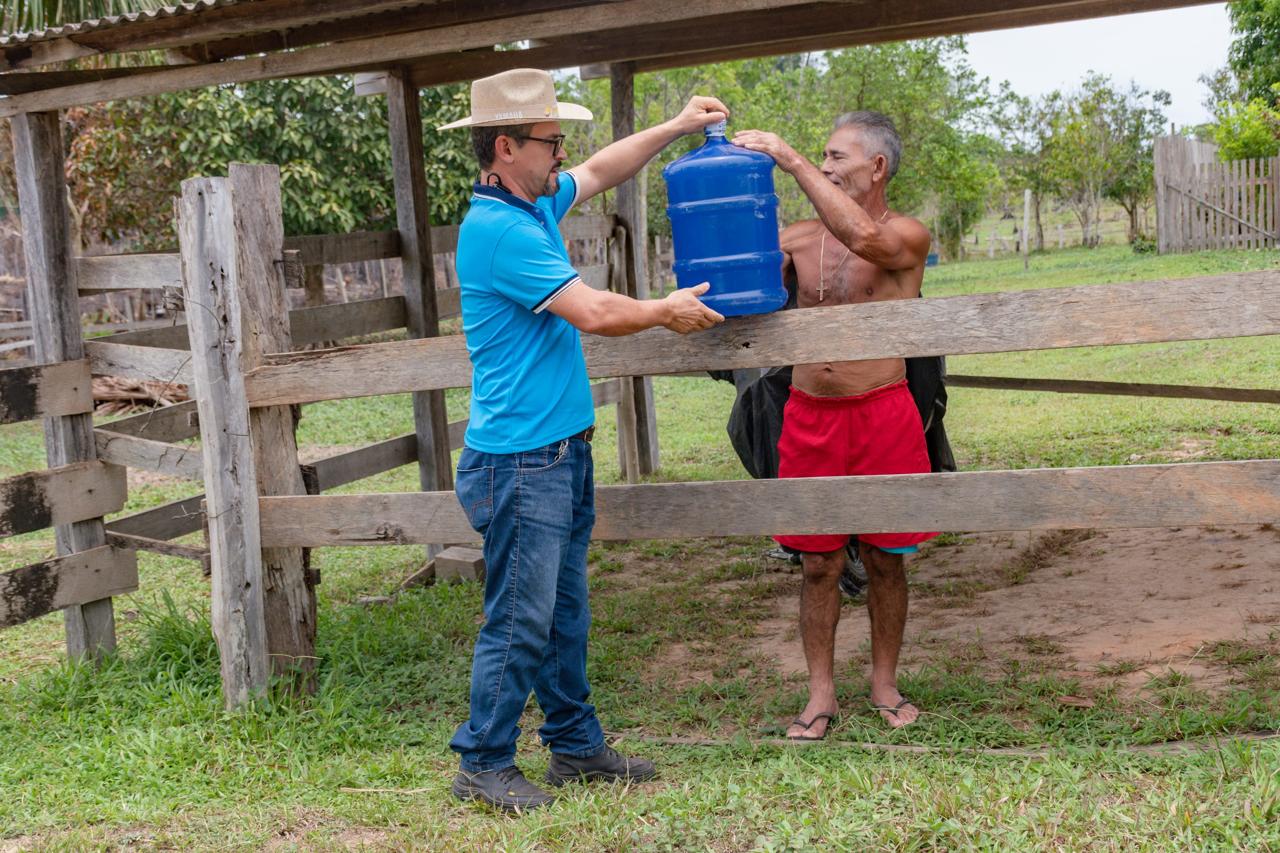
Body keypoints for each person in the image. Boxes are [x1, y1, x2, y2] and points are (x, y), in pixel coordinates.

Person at [439, 68, 726, 812]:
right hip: (520, 460)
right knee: (521, 616)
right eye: (550, 143)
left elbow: (603, 169)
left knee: (563, 609)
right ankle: (483, 759)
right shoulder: (497, 230)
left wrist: (675, 125)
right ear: (505, 147)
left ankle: (572, 744)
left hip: (558, 449)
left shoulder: (531, 203)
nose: (564, 156)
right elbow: (593, 311)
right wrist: (663, 310)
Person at [733, 112, 938, 736]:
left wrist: (790, 158)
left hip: (885, 411)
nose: (822, 166)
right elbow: (743, 292)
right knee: (817, 564)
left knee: (885, 559)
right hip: (809, 417)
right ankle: (820, 694)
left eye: (835, 156)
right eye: (818, 156)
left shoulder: (907, 234)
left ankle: (884, 683)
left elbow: (865, 242)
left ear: (876, 167)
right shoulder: (797, 239)